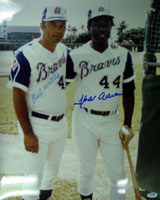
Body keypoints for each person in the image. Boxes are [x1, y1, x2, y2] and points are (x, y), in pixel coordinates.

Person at [67, 6, 135, 200]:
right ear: (89, 27)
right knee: (86, 169)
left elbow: (129, 91)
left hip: (111, 120)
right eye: (97, 24)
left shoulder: (122, 54)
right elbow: (59, 84)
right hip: (84, 119)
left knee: (118, 174)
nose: (102, 29)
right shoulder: (76, 55)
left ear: (111, 27)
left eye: (106, 25)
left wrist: (127, 123)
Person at [7, 5, 69, 200]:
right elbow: (17, 95)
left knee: (51, 174)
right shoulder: (25, 54)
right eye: (53, 25)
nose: (58, 30)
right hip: (36, 124)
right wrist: (27, 132)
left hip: (60, 123)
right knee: (33, 178)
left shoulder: (65, 52)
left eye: (61, 26)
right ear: (42, 26)